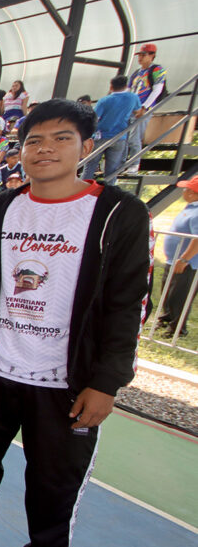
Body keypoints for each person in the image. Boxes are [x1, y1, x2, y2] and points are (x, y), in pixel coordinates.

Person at [0, 99, 150, 547]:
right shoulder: (1, 208)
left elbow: (131, 303)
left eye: (60, 139)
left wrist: (106, 382)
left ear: (86, 147)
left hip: (67, 382)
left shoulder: (118, 213)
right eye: (34, 140)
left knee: (55, 484)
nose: (44, 150)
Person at [156, 178, 198, 337]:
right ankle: (167, 318)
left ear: (194, 194)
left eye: (186, 189)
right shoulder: (190, 207)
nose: (183, 191)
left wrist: (185, 259)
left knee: (180, 296)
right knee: (169, 292)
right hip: (173, 260)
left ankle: (178, 329)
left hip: (188, 263)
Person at [82, 76, 142, 180]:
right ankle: (109, 192)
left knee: (90, 167)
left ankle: (83, 191)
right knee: (112, 171)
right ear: (126, 86)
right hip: (120, 137)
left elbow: (94, 118)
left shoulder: (104, 100)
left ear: (111, 86)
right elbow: (138, 112)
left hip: (100, 136)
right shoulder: (133, 98)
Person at [126, 43, 167, 172]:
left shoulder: (156, 70)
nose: (140, 58)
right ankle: (124, 163)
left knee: (135, 138)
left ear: (152, 56)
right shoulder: (136, 73)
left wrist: (144, 107)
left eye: (144, 55)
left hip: (143, 109)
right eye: (140, 55)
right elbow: (128, 90)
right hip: (132, 109)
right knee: (125, 137)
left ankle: (134, 164)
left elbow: (157, 90)